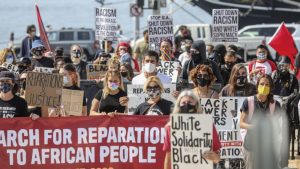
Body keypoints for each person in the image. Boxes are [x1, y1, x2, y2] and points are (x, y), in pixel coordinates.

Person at [163, 90, 221, 169]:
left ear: (196, 105)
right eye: (183, 103)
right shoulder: (171, 127)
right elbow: (168, 156)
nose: (187, 105)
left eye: (190, 102)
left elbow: (217, 158)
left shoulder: (207, 126)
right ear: (178, 106)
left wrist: (214, 157)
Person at [240, 74, 286, 169]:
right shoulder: (248, 101)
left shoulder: (275, 104)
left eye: (267, 84)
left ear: (271, 87)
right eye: (261, 84)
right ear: (257, 86)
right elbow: (241, 123)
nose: (264, 87)